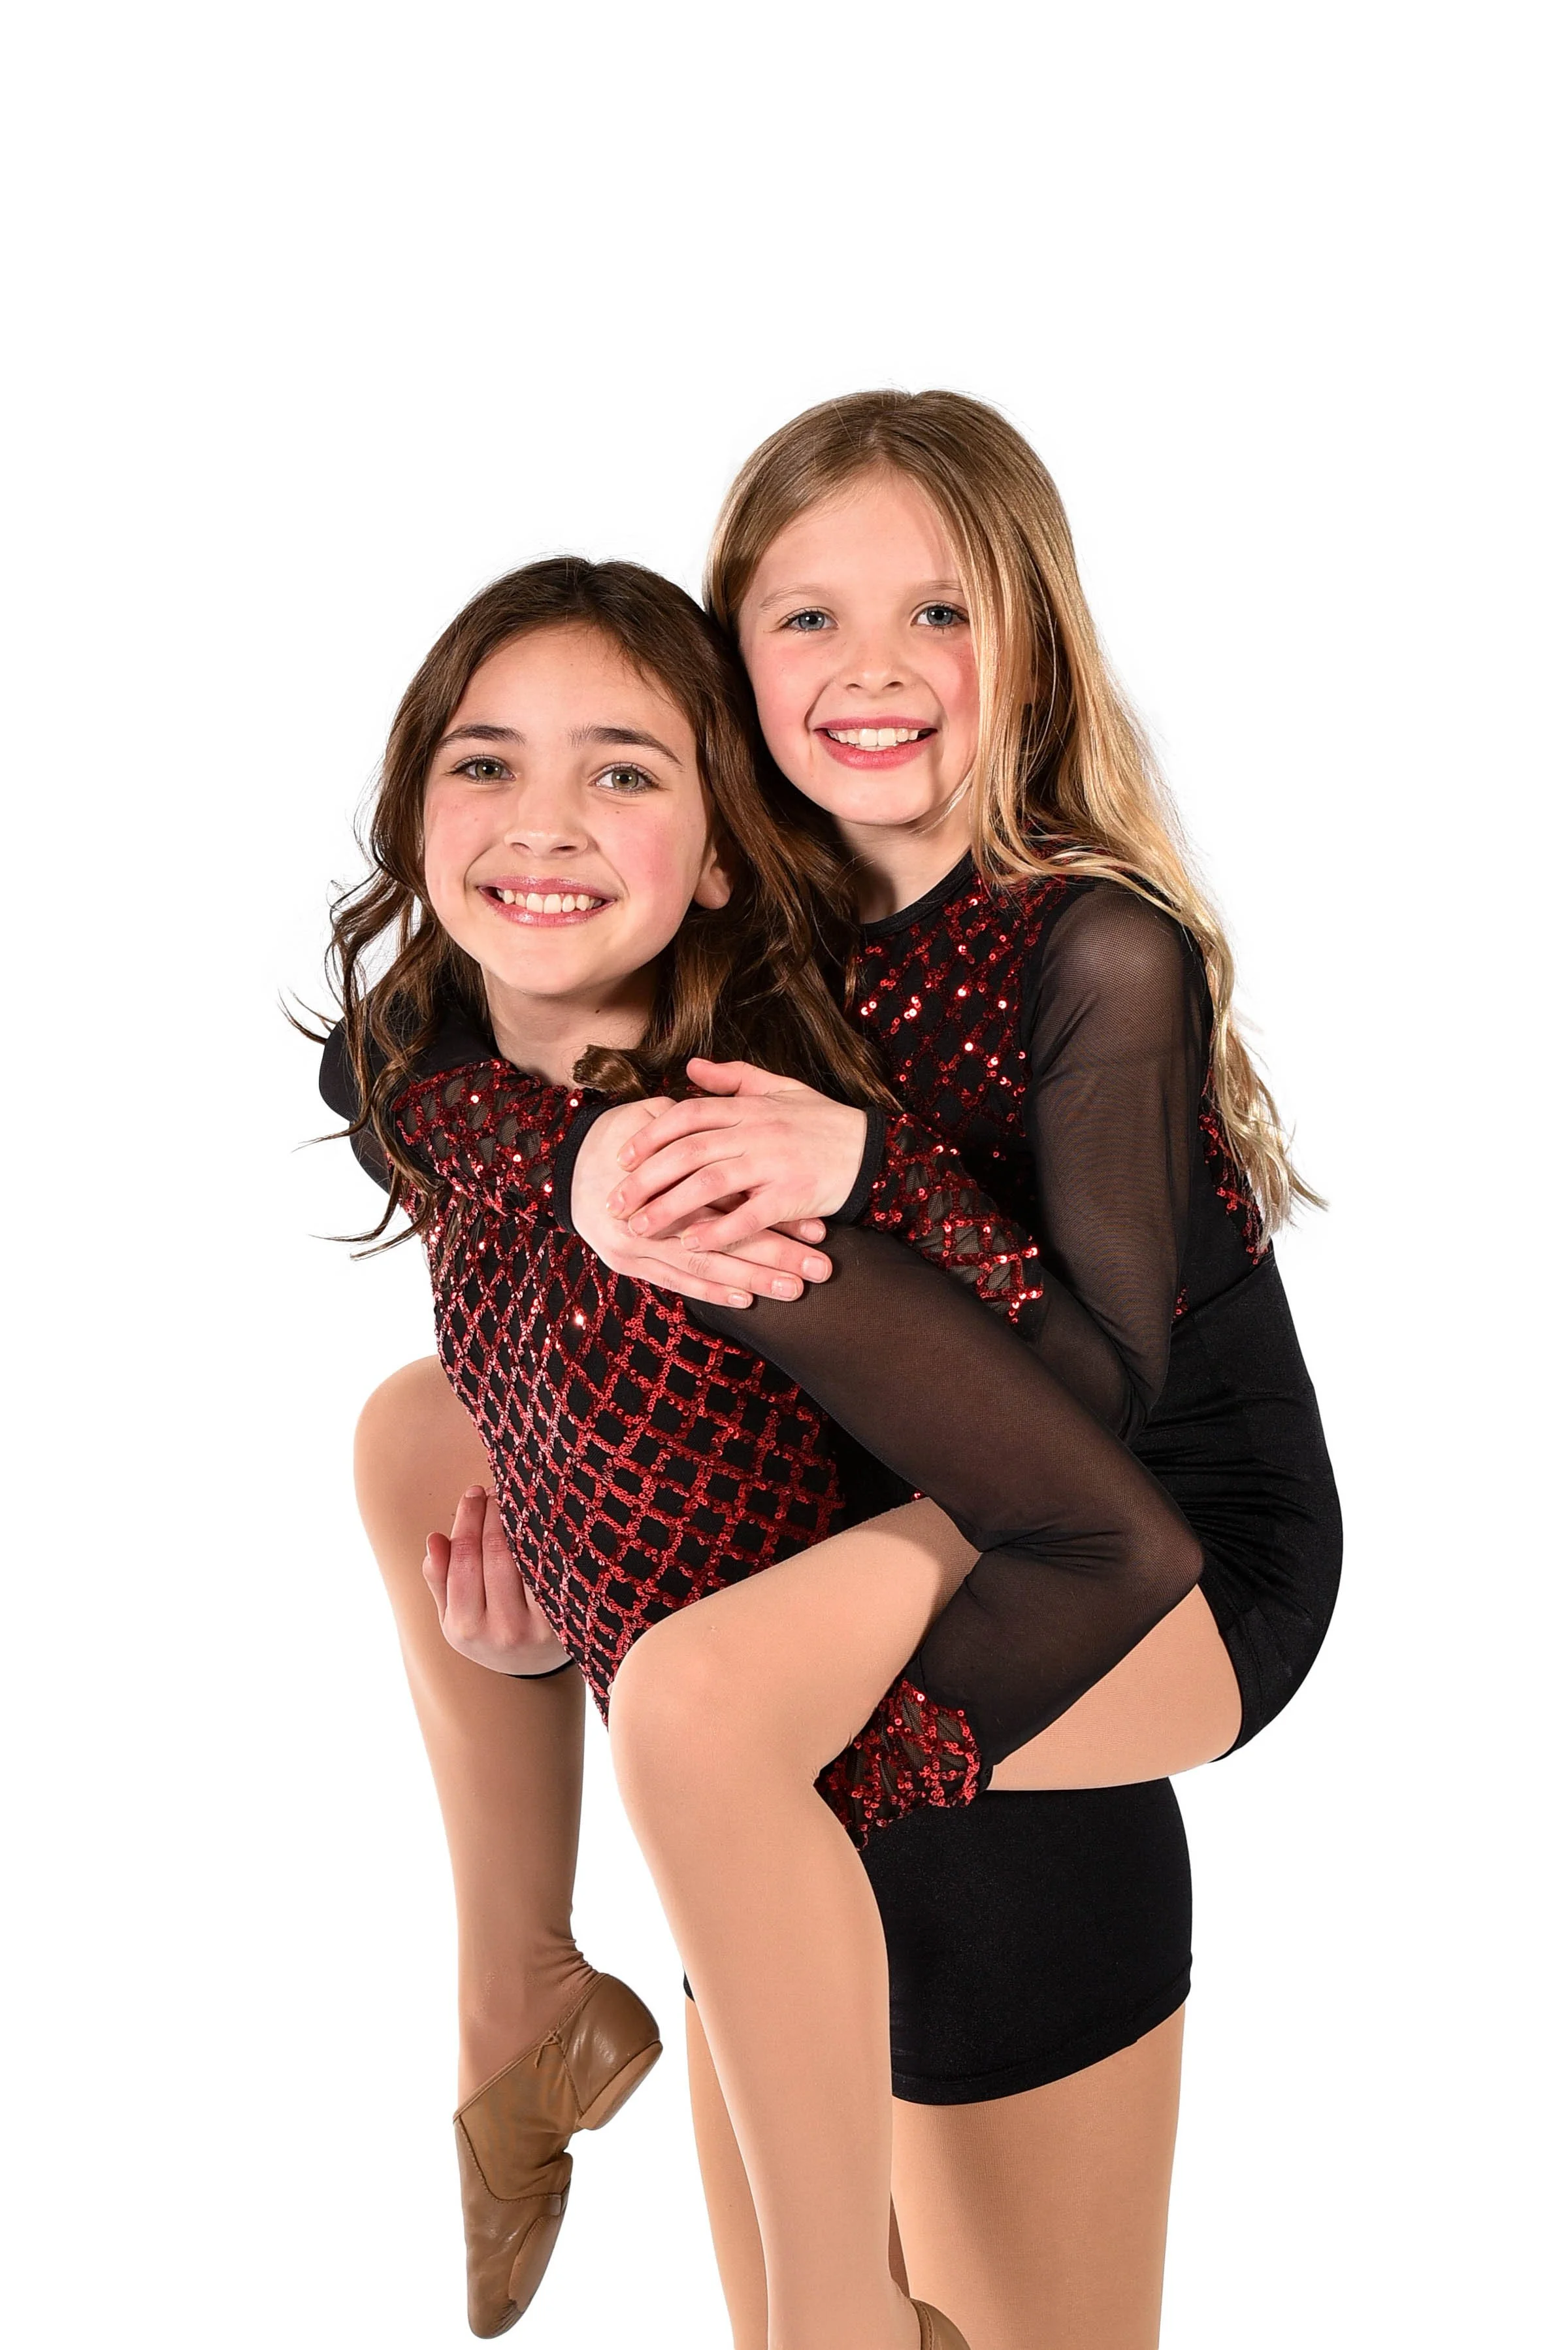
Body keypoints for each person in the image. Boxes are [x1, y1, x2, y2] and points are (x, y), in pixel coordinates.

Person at [341, 391, 1340, 2350]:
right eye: (804, 621)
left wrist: (859, 1164)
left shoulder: (1092, 947)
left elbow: (1108, 1400)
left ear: (1030, 648)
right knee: (416, 1432)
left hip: (1158, 1533)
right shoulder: (745, 911)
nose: (869, 672)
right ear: (730, 660)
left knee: (708, 1710)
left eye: (939, 617)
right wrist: (551, 1557)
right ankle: (516, 1980)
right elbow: (410, 1070)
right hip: (910, 1488)